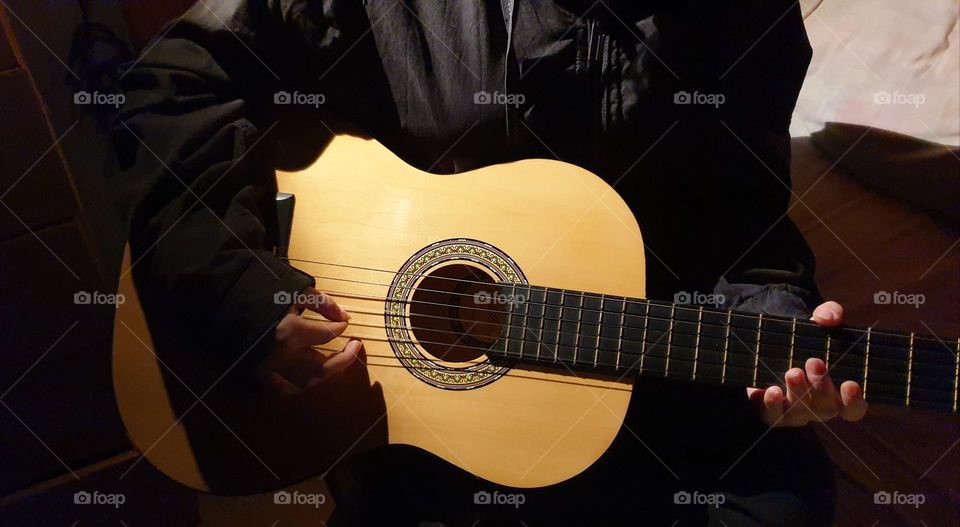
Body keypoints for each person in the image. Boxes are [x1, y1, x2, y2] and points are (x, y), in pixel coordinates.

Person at [113, 1, 867, 525]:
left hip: (644, 366)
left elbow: (746, 237)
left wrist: (780, 328)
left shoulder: (744, 13)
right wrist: (241, 291)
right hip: (425, 423)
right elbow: (172, 83)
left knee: (784, 495)